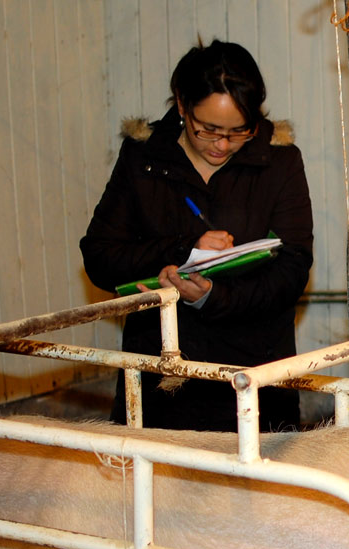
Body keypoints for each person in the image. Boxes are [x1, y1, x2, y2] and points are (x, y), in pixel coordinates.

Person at [80, 39, 313, 432]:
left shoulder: (279, 162)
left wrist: (212, 297)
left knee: (254, 490)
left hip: (252, 378)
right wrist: (180, 250)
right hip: (159, 378)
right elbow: (99, 256)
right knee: (154, 488)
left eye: (239, 132)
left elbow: (291, 271)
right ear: (182, 106)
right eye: (208, 130)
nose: (222, 145)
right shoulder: (144, 160)